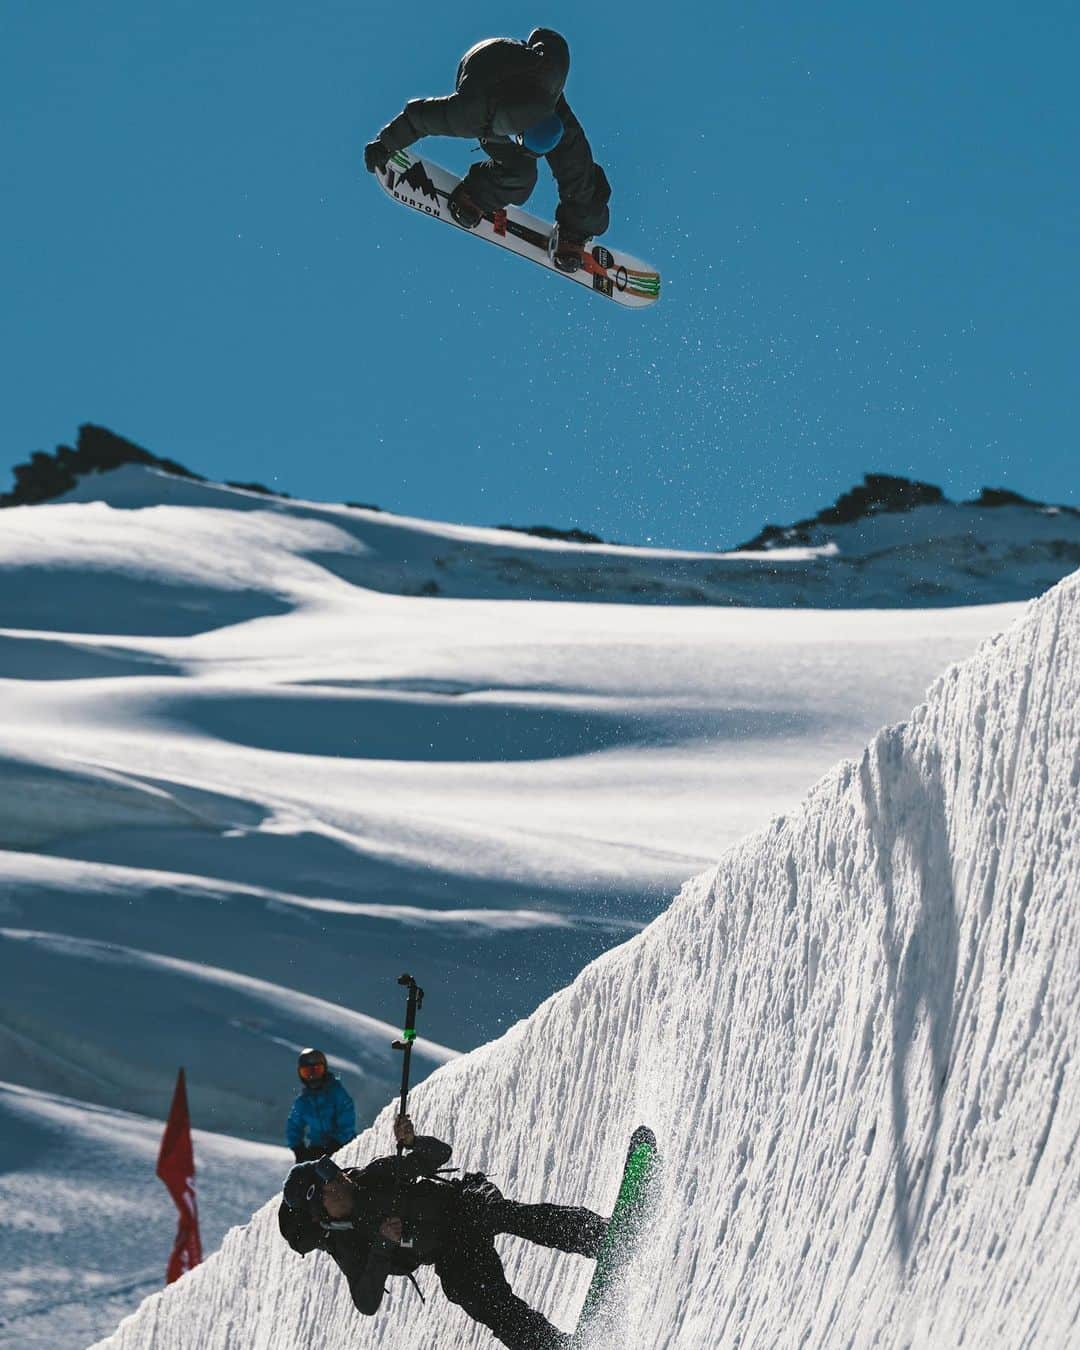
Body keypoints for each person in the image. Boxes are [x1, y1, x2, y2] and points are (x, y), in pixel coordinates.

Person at [278, 1114, 608, 1349]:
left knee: (501, 1214)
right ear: (321, 1210)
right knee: (473, 1295)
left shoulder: (374, 1177)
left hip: (462, 1202)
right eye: (327, 1183)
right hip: (449, 1250)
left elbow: (439, 1155)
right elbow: (366, 1302)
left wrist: (412, 1142)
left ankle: (598, 1236)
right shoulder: (348, 1245)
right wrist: (382, 1244)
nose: (337, 1180)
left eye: (332, 1172)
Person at [362, 28, 611, 275]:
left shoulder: (551, 75)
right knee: (520, 175)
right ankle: (476, 196)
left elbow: (550, 39)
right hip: (482, 76)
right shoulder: (471, 114)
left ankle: (577, 228)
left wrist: (536, 43)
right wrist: (384, 144)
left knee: (576, 165)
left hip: (535, 87)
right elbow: (418, 118)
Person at [285, 1048, 357, 1164]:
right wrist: (298, 1148)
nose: (312, 1077)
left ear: (324, 1070)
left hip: (343, 1148)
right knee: (301, 1178)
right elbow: (293, 1125)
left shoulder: (336, 1093)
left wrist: (337, 1143)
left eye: (316, 1071)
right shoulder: (303, 1101)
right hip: (316, 1150)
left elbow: (347, 1121)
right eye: (307, 1072)